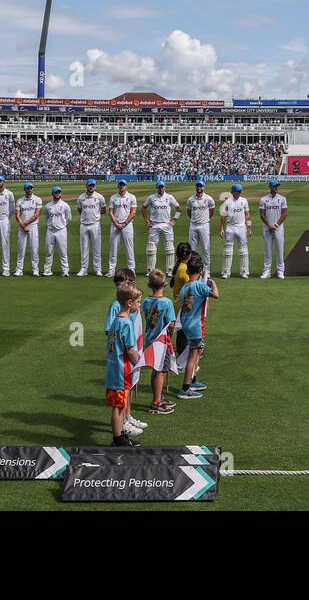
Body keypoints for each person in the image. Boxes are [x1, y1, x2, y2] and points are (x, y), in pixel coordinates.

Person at [105, 280, 143, 446]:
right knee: (119, 407)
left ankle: (120, 435)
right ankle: (117, 439)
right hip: (122, 371)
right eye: (138, 302)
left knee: (120, 404)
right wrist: (143, 362)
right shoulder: (126, 324)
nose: (139, 305)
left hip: (114, 369)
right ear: (130, 303)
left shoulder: (115, 321)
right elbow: (131, 350)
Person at [177, 256, 218, 400]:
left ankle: (193, 381)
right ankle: (185, 388)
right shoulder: (199, 286)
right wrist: (212, 282)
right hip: (196, 326)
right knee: (192, 357)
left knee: (198, 351)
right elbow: (215, 295)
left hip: (186, 324)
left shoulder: (185, 287)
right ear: (200, 271)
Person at [141, 270, 177, 416]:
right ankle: (156, 402)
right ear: (165, 283)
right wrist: (170, 338)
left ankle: (157, 397)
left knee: (156, 370)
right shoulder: (167, 303)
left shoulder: (146, 301)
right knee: (161, 371)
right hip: (161, 341)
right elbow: (172, 324)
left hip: (150, 338)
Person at [142, 179, 179, 275]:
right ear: (157, 188)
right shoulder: (151, 197)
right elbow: (143, 208)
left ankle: (170, 270)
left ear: (164, 187)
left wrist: (174, 219)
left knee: (169, 247)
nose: (161, 188)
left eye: (162, 187)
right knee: (151, 247)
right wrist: (146, 220)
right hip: (154, 224)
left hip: (167, 224)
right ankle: (150, 270)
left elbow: (178, 208)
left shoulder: (169, 197)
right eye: (159, 187)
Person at [219, 183, 251, 279]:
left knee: (243, 251)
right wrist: (221, 228)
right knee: (227, 251)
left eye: (240, 191)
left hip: (241, 227)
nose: (239, 193)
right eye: (237, 191)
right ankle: (226, 271)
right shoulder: (227, 202)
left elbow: (247, 214)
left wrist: (249, 227)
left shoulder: (244, 201)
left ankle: (244, 271)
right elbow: (223, 216)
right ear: (232, 192)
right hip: (230, 227)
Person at [259, 178, 289, 279]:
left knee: (280, 251)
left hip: (278, 228)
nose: (277, 188)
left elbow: (284, 214)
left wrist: (276, 225)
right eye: (275, 186)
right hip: (267, 229)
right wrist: (269, 225)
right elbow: (262, 215)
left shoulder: (282, 198)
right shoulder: (263, 199)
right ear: (270, 187)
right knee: (268, 251)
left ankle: (280, 271)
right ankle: (266, 272)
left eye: (277, 186)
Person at [107, 178, 138, 275]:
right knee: (113, 249)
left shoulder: (132, 197)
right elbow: (110, 212)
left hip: (127, 225)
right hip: (115, 225)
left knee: (129, 248)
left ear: (126, 186)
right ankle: (111, 270)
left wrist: (124, 223)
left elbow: (133, 212)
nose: (121, 186)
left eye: (123, 185)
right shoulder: (113, 197)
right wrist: (116, 223)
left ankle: (131, 270)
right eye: (120, 185)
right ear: (118, 186)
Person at [75, 178, 105, 277]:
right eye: (89, 185)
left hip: (95, 224)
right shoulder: (81, 198)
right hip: (84, 225)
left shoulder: (100, 197)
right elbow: (80, 210)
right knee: (84, 248)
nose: (91, 187)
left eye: (93, 185)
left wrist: (95, 217)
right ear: (86, 186)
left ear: (95, 186)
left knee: (97, 248)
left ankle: (98, 269)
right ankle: (84, 269)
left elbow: (103, 210)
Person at [14, 181, 42, 277]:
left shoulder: (37, 199)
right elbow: (17, 216)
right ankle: (19, 269)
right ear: (24, 189)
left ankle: (35, 269)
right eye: (28, 188)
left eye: (31, 188)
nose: (29, 190)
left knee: (34, 248)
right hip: (22, 227)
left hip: (33, 226)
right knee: (21, 249)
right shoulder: (19, 201)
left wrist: (26, 223)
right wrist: (23, 225)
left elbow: (37, 215)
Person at [43, 186, 72, 277]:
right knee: (49, 251)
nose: (58, 194)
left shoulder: (65, 205)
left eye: (59, 192)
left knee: (63, 251)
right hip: (50, 231)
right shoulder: (48, 206)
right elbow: (47, 218)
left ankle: (65, 270)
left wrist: (62, 225)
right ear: (52, 194)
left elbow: (68, 218)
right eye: (56, 192)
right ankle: (47, 270)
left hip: (61, 231)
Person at [186, 179, 216, 265]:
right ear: (195, 187)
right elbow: (189, 212)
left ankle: (207, 271)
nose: (199, 188)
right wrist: (194, 220)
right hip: (193, 225)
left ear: (204, 188)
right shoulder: (191, 199)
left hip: (204, 225)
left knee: (206, 248)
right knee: (192, 249)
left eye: (201, 186)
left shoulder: (209, 199)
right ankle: (192, 269)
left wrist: (206, 219)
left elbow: (212, 211)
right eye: (198, 186)